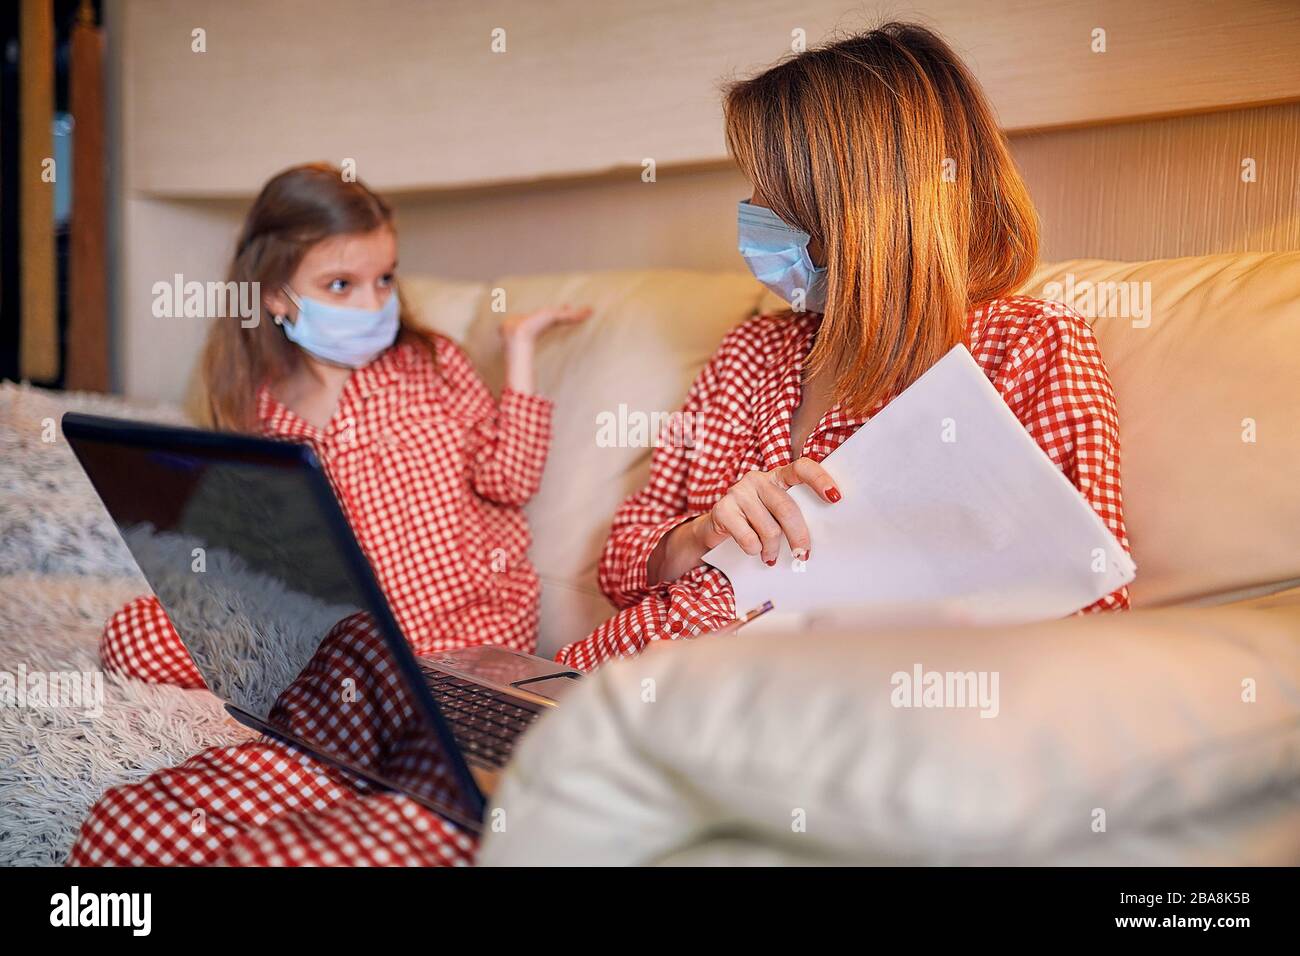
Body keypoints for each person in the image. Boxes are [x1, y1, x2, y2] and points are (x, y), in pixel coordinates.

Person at [555, 22, 1130, 670]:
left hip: (795, 716)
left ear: (847, 207)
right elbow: (623, 559)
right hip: (608, 682)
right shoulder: (751, 350)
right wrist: (702, 534)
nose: (749, 211)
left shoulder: (1022, 352)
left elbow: (1083, 610)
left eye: (765, 192)